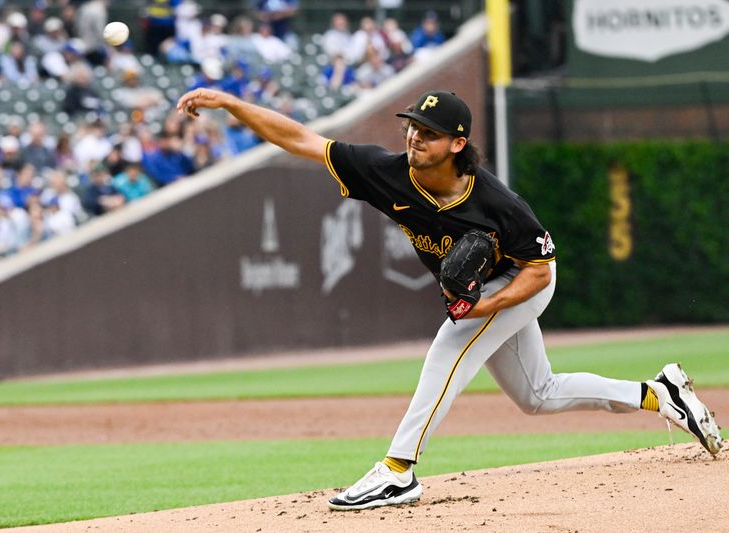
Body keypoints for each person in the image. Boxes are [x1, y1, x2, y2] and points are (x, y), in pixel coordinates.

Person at [176, 87, 724, 510]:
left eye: (429, 133)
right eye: (413, 127)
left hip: (519, 283)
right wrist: (229, 103)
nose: (415, 138)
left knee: (449, 347)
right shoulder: (386, 172)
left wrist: (483, 308)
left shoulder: (497, 203)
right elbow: (302, 140)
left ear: (457, 144)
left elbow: (540, 270)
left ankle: (398, 469)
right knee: (538, 395)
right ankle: (659, 394)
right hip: (484, 290)